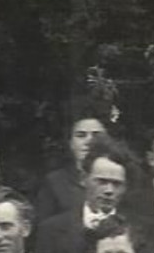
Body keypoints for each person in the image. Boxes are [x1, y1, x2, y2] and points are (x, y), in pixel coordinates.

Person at [35, 136, 154, 253]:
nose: (109, 191)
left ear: (125, 188)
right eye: (101, 182)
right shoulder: (51, 230)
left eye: (117, 184)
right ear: (84, 179)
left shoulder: (141, 229)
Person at [33, 96, 114, 225]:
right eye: (81, 135)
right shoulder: (54, 182)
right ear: (71, 143)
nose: (89, 141)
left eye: (96, 135)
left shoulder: (121, 180)